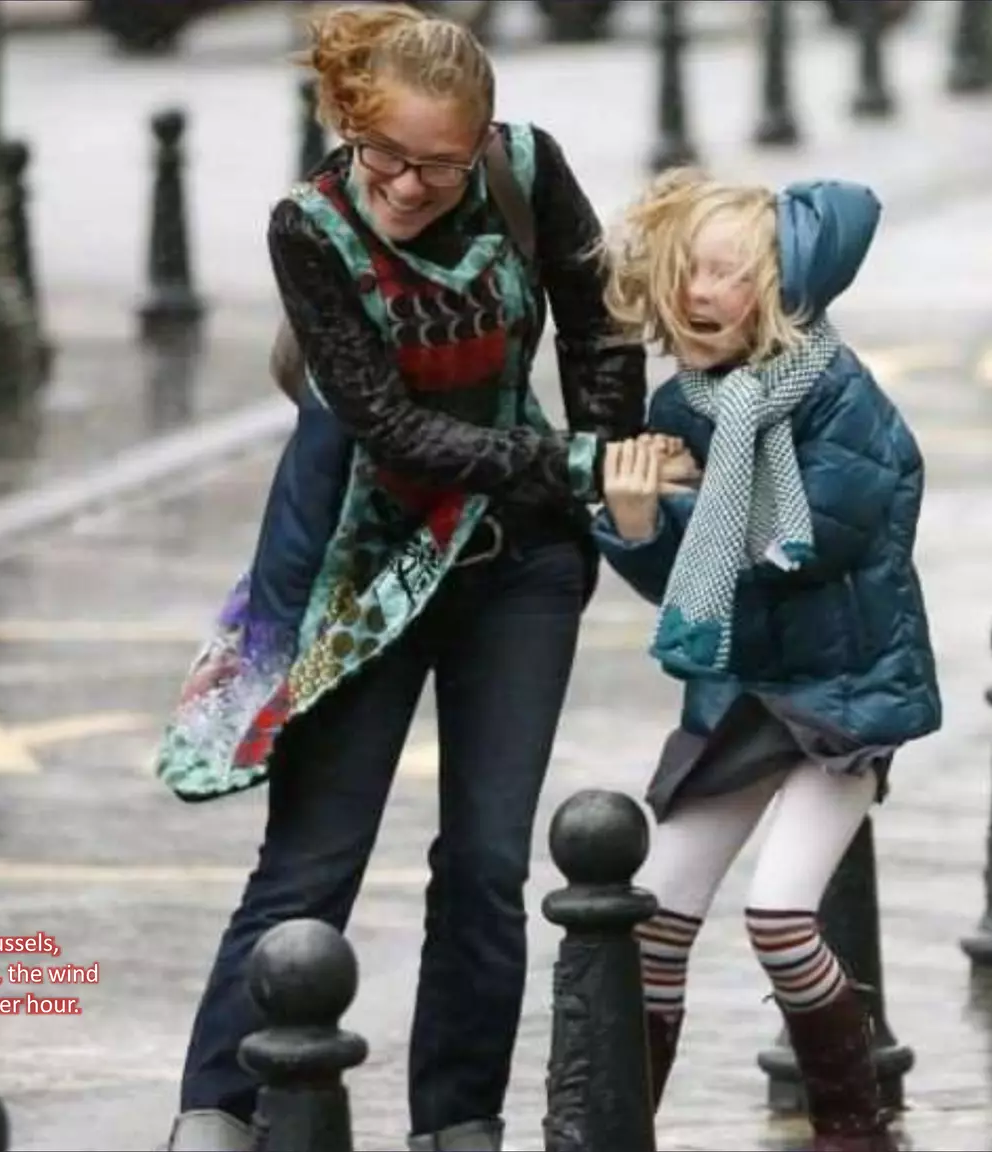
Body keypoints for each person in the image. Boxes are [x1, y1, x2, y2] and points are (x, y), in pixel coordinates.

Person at [150, 5, 647, 1150]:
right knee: (311, 863)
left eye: (437, 164)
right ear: (348, 123)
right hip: (358, 569)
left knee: (483, 863)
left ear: (481, 146)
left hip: (515, 567)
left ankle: (457, 1122)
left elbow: (598, 323)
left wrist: (610, 447)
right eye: (386, 156)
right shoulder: (309, 229)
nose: (409, 185)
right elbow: (391, 429)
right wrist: (564, 459)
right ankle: (216, 1114)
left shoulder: (524, 173)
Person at [589, 169, 941, 1152]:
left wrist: (683, 506)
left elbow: (802, 543)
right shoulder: (683, 406)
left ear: (783, 293)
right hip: (740, 696)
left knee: (781, 915)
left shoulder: (837, 399)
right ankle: (619, 1128)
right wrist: (629, 521)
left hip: (842, 700)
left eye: (730, 275)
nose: (702, 294)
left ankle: (851, 1125)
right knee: (653, 917)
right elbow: (685, 585)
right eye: (690, 272)